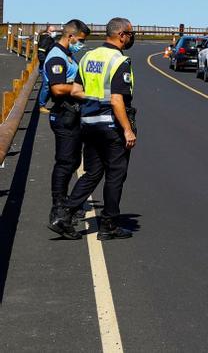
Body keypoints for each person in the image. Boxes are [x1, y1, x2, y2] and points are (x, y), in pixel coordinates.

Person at [49, 18, 138, 241]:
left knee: (93, 173)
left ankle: (64, 214)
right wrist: (127, 129)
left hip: (88, 124)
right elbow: (117, 100)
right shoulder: (119, 61)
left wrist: (96, 98)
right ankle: (109, 224)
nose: (131, 37)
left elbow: (77, 90)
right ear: (121, 35)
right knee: (115, 174)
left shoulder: (88, 56)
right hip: (111, 126)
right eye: (129, 33)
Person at [40, 19, 91, 226]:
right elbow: (57, 89)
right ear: (70, 36)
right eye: (80, 40)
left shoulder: (67, 55)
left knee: (72, 162)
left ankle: (65, 203)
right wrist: (83, 92)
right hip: (63, 115)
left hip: (72, 116)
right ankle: (59, 206)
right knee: (65, 162)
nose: (81, 44)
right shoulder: (56, 57)